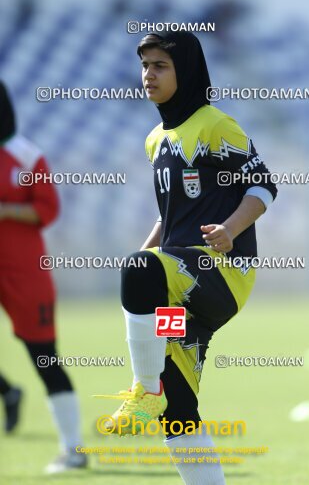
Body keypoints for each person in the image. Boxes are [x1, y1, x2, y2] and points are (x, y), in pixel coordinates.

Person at [101, 31, 278, 485]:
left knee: (142, 276)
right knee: (178, 407)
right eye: (144, 66)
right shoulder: (154, 140)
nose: (148, 75)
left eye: (160, 65)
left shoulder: (216, 124)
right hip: (177, 290)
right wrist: (147, 250)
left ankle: (143, 389)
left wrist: (230, 230)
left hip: (219, 273)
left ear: (187, 70)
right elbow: (171, 214)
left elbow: (263, 186)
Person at [0, 81, 86, 474]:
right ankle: (7, 391)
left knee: (45, 356)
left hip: (23, 269)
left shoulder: (26, 156)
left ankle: (73, 450)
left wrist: (4, 210)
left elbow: (47, 210)